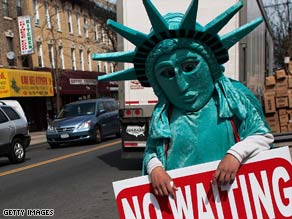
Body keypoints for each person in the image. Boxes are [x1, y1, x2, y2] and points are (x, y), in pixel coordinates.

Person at [93, 0, 274, 199]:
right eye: (167, 73)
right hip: (184, 204)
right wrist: (155, 170)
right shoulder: (164, 115)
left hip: (231, 201)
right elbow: (152, 151)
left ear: (209, 64)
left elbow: (262, 136)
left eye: (189, 67)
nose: (181, 84)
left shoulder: (232, 96)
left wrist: (236, 155)